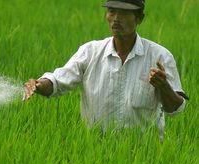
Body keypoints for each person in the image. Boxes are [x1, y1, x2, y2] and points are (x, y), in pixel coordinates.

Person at [23, 0, 188, 139]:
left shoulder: (160, 56)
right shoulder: (90, 52)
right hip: (95, 150)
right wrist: (38, 85)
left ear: (139, 18)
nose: (116, 18)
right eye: (111, 11)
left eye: (124, 13)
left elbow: (176, 109)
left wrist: (164, 86)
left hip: (144, 156)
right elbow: (58, 81)